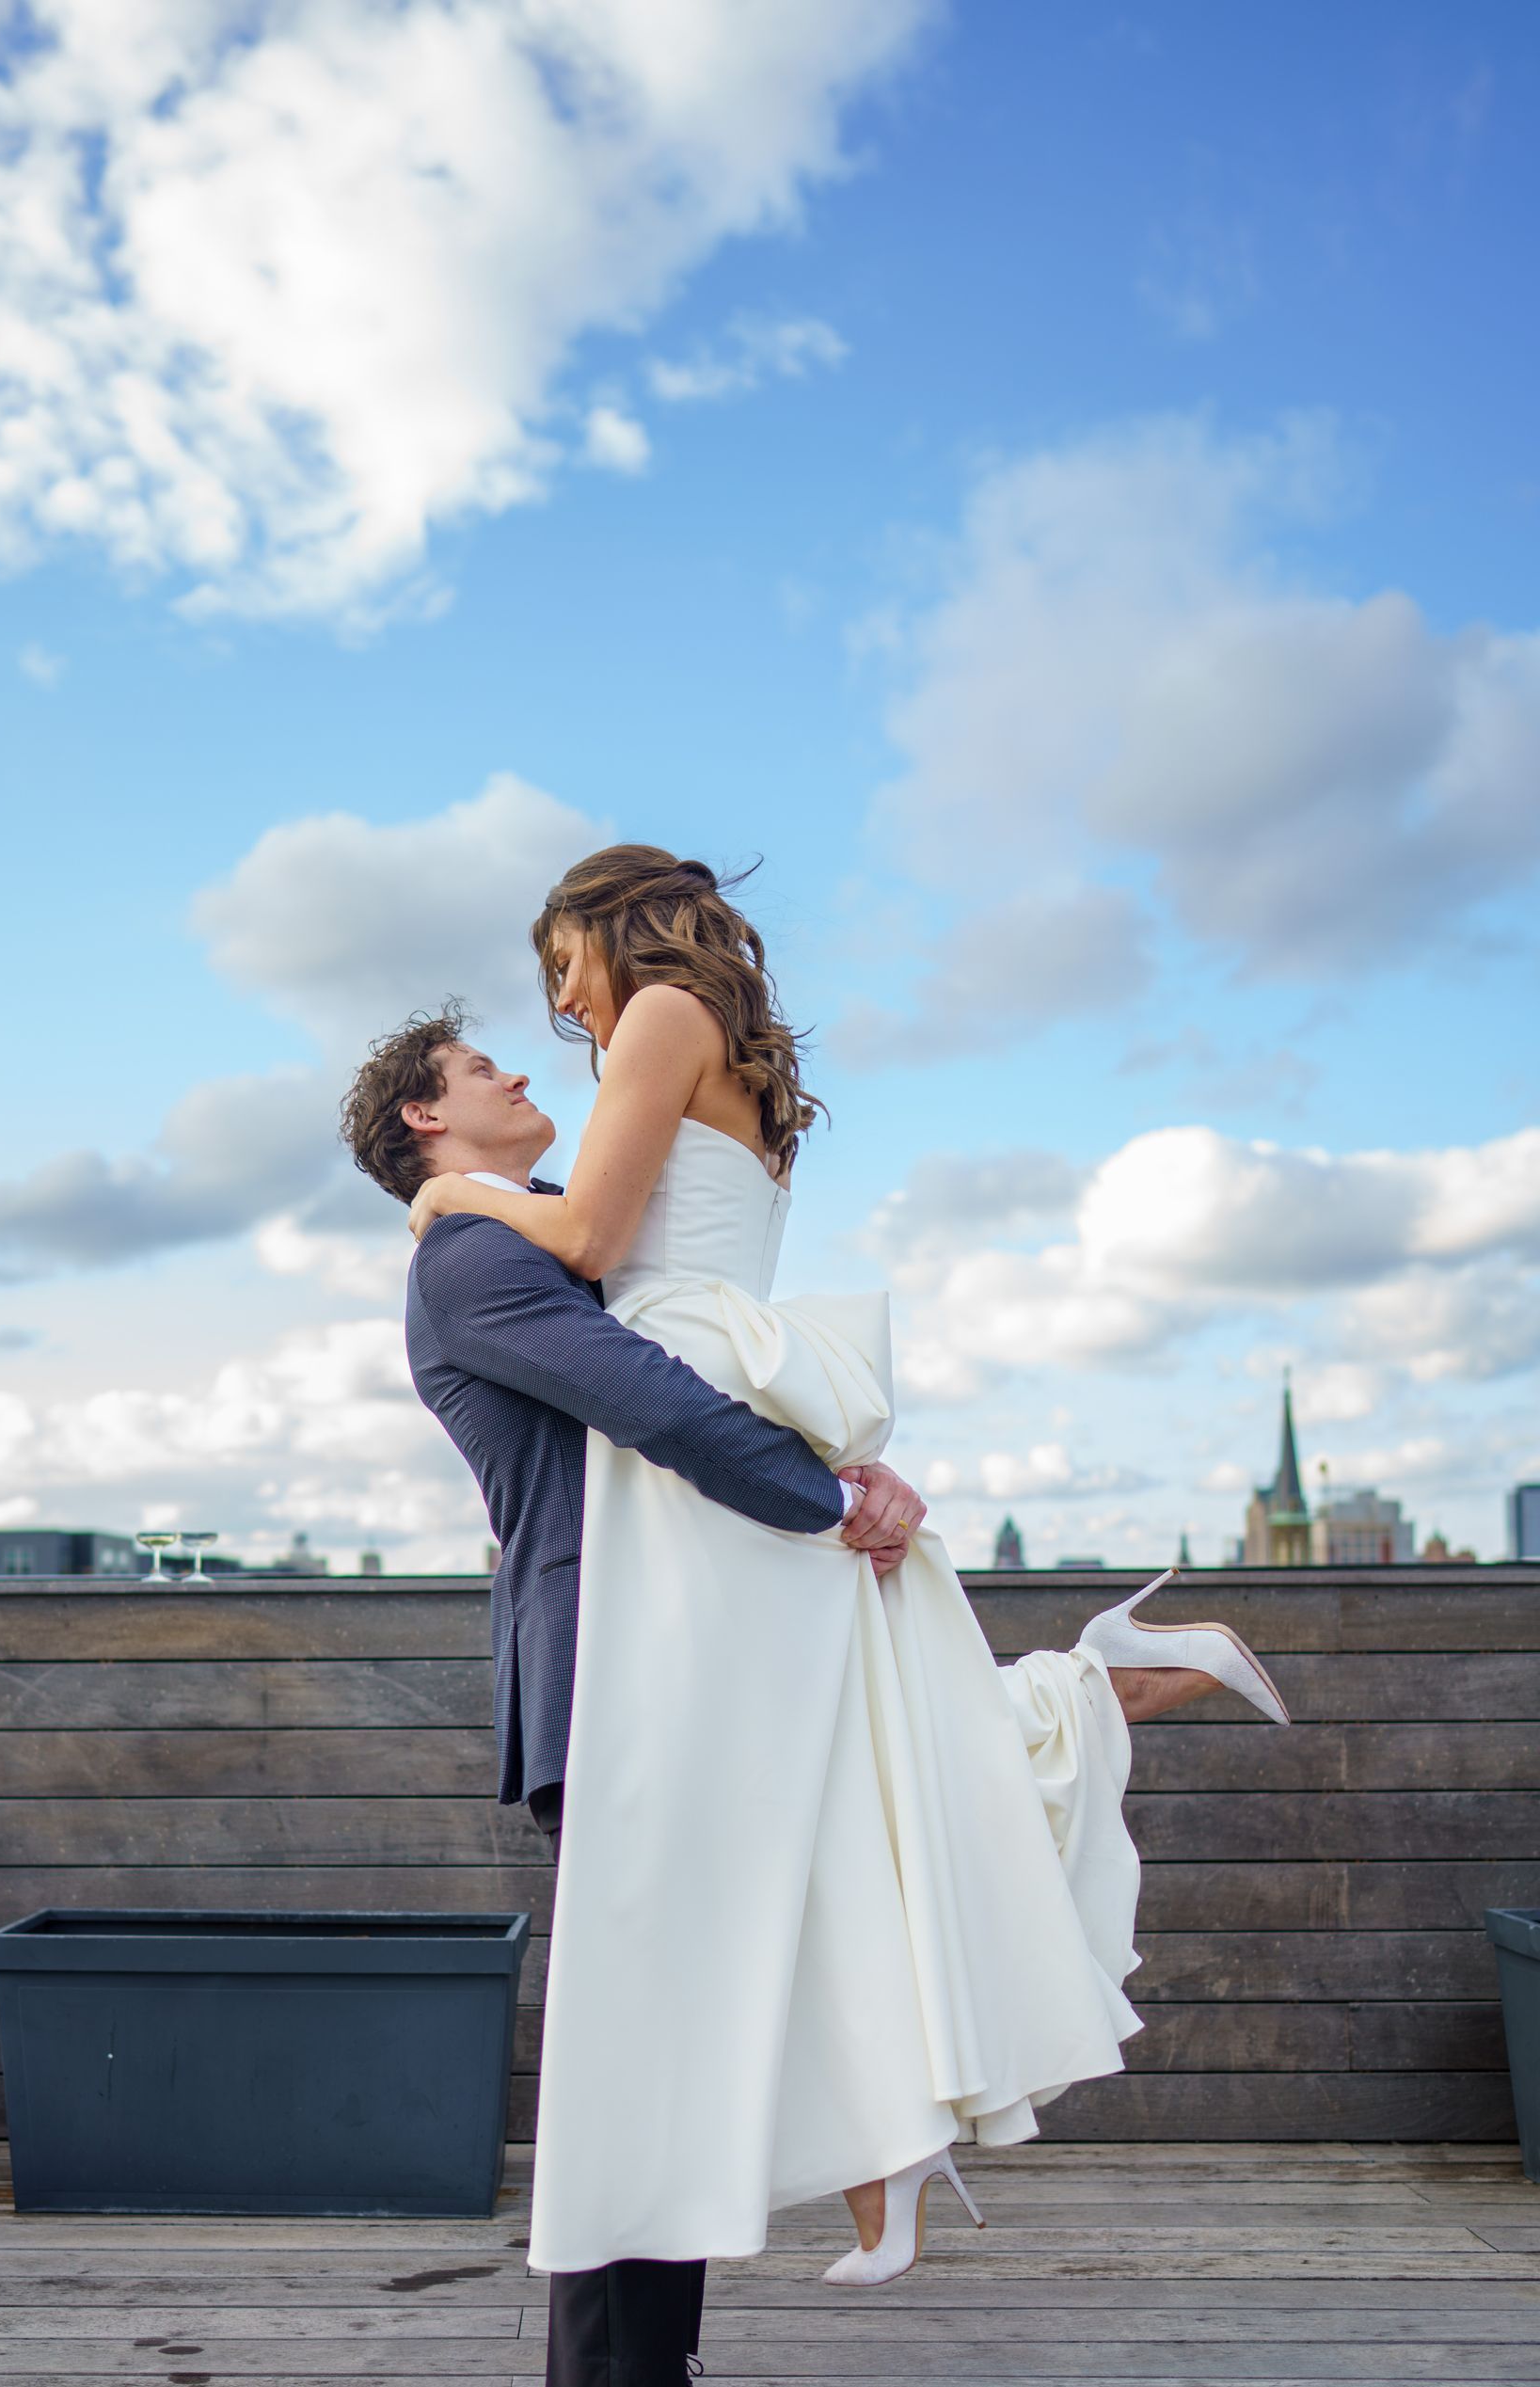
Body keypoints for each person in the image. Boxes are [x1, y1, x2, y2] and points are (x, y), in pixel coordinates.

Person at [404, 848, 1289, 2307]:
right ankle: (896, 2138)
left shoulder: (657, 1022)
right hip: (733, 1382)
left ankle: (1089, 1705)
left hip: (687, 1410)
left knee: (791, 1816)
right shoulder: (720, 1046)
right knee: (837, 1796)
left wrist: (452, 1206)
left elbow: (589, 1238)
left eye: (563, 958)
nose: (562, 998)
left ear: (618, 927)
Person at [341, 1004, 926, 2387]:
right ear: (421, 1123)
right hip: (614, 1686)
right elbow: (658, 1409)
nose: (526, 1075)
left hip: (663, 1676)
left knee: (678, 2047)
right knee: (640, 2066)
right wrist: (835, 1502)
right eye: (484, 1072)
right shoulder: (478, 1270)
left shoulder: (517, 1240)